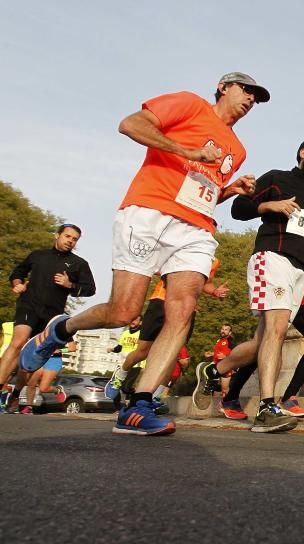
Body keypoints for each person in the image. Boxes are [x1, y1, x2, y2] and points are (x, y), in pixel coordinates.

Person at [17, 72, 265, 436]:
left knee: (181, 311)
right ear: (224, 87)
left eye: (256, 97)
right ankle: (61, 329)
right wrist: (187, 150)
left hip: (196, 227)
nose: (250, 99)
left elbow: (201, 188)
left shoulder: (238, 150)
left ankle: (139, 405)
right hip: (149, 211)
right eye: (246, 90)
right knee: (124, 311)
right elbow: (130, 124)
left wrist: (229, 190)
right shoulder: (189, 103)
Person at [194, 136, 304, 433]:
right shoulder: (276, 178)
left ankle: (214, 370)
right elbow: (239, 209)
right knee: (277, 329)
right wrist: (271, 204)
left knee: (265, 341)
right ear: (303, 153)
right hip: (272, 257)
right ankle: (267, 407)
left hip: (300, 270)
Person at [218, 212, 304, 421]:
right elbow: (301, 252)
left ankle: (229, 395)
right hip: (289, 296)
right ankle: (287, 398)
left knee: (263, 348)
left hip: (302, 299)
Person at [0, 224, 95, 414]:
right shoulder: (38, 255)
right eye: (67, 236)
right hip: (29, 305)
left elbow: (90, 289)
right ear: (57, 235)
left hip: (51, 316)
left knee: (29, 361)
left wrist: (70, 285)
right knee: (17, 342)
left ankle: (16, 394)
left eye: (74, 239)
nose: (70, 241)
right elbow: (17, 273)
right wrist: (17, 284)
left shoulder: (79, 264)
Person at [104, 259, 228, 401]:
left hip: (187, 307)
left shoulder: (212, 260)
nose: (210, 234)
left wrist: (215, 291)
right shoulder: (178, 243)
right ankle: (120, 375)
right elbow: (154, 267)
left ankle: (155, 397)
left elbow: (205, 283)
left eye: (212, 234)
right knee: (142, 351)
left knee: (172, 354)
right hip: (161, 300)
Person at [21, 341, 75, 414]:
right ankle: (29, 407)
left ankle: (57, 390)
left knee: (43, 388)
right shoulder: (44, 331)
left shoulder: (65, 333)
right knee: (31, 383)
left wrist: (60, 350)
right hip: (40, 359)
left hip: (53, 361)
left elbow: (73, 348)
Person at [105, 315, 143, 411]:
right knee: (115, 386)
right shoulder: (125, 333)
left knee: (125, 388)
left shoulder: (142, 334)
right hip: (122, 364)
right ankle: (118, 409)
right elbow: (120, 348)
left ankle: (138, 398)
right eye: (132, 319)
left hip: (135, 365)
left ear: (140, 323)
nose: (133, 321)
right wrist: (112, 349)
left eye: (136, 320)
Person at [205, 324, 237, 397]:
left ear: (230, 332)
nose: (223, 331)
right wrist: (211, 354)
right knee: (216, 390)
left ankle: (229, 405)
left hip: (226, 367)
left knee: (225, 390)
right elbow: (219, 353)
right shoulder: (219, 340)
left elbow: (236, 353)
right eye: (222, 329)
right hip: (217, 366)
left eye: (226, 330)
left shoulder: (230, 341)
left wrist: (225, 356)